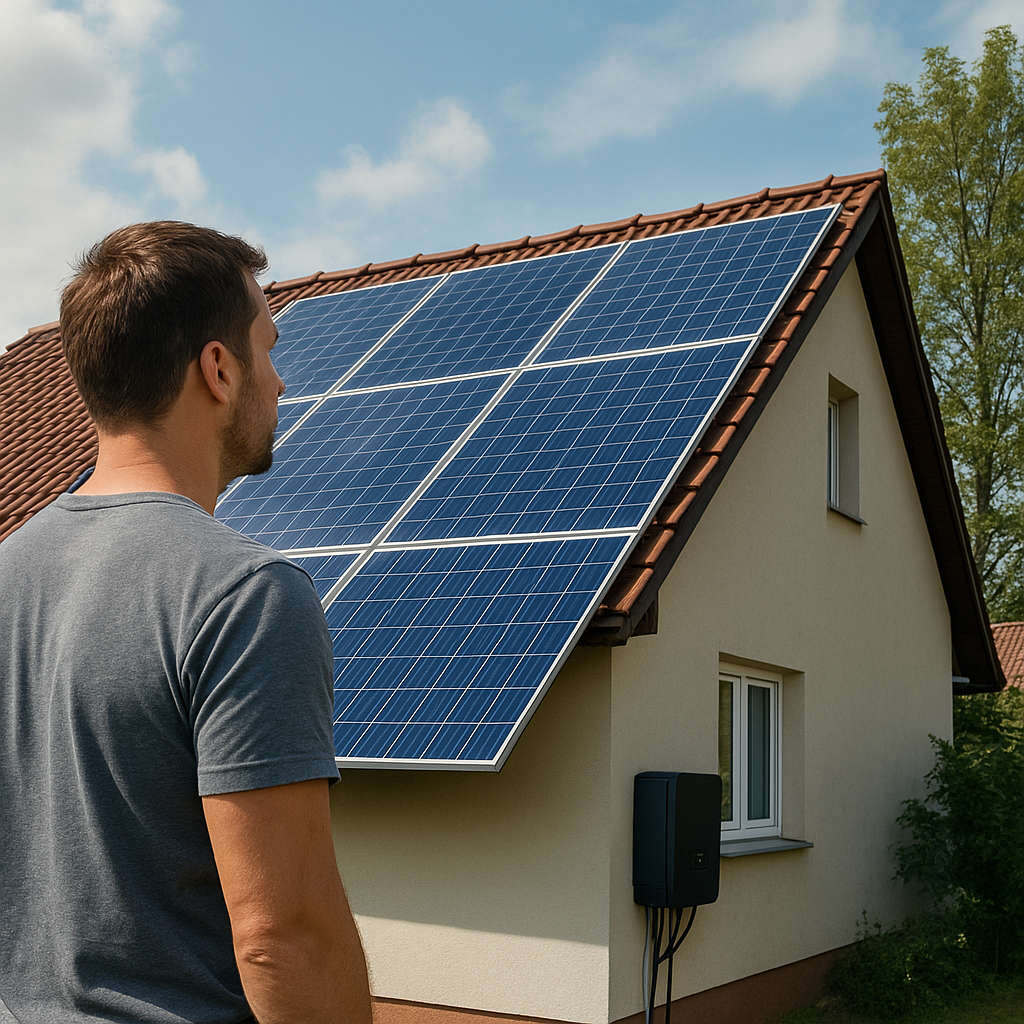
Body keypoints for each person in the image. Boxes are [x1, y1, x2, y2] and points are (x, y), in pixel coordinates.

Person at [0, 222, 372, 1024]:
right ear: (217, 368)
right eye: (268, 350)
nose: (280, 384)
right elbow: (285, 938)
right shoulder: (246, 594)